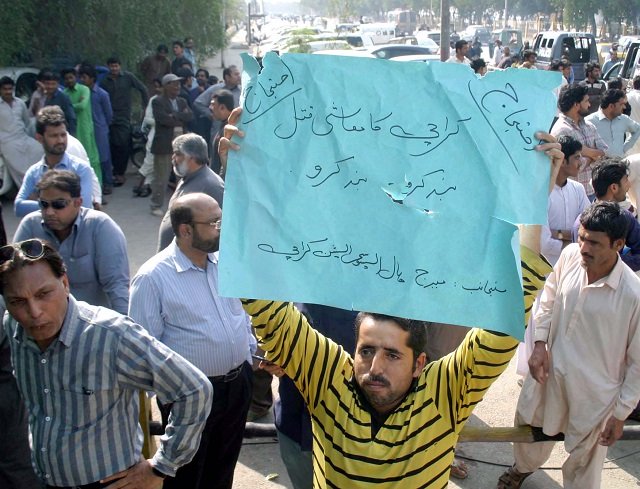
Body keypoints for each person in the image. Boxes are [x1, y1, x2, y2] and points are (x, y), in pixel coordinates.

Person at [219, 108, 564, 487]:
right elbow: (264, 305)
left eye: (392, 355)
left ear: (421, 364)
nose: (374, 367)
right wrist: (241, 180)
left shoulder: (445, 393)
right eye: (366, 350)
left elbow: (506, 316)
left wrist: (533, 196)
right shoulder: (331, 383)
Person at [0, 239, 213, 487]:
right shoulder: (13, 326)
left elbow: (195, 389)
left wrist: (161, 467)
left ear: (65, 283)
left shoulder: (112, 336)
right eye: (18, 301)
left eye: (43, 294)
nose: (34, 312)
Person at [497, 201, 640, 489]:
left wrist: (620, 413)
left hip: (595, 396)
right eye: (583, 237)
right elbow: (548, 298)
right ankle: (521, 469)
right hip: (549, 374)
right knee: (530, 427)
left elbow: (638, 363)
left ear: (618, 245)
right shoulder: (571, 255)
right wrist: (539, 344)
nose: (584, 247)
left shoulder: (633, 295)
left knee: (584, 465)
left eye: (595, 243)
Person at [130, 192, 256, 489]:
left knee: (223, 467)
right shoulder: (152, 278)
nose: (221, 228)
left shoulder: (226, 263)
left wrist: (252, 354)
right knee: (185, 476)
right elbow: (143, 350)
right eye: (214, 222)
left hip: (238, 385)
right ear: (185, 230)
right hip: (188, 397)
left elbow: (241, 315)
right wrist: (172, 395)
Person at [14, 170, 130, 313]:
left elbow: (117, 286)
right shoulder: (30, 226)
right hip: (43, 320)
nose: (49, 212)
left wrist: (125, 328)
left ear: (78, 202)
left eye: (58, 204)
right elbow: (14, 278)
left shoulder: (101, 227)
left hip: (92, 322)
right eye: (44, 204)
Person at [15, 107, 95, 217]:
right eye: (54, 136)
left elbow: (83, 209)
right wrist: (64, 203)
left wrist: (40, 202)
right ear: (39, 138)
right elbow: (19, 207)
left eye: (63, 135)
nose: (60, 140)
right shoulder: (34, 172)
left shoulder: (80, 169)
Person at [571, 157, 640, 272]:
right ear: (614, 187)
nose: (628, 185)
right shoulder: (624, 217)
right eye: (626, 180)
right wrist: (613, 263)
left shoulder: (580, 221)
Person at [157, 133, 224, 251]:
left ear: (192, 157)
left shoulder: (211, 185)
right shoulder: (187, 177)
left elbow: (220, 229)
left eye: (178, 154)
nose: (173, 158)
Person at [551, 83, 607, 200]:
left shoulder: (589, 126)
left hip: (591, 191)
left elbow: (604, 152)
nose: (589, 104)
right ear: (576, 105)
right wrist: (593, 156)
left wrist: (585, 151)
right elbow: (573, 166)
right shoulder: (562, 131)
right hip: (571, 195)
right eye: (586, 101)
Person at [100, 56, 148, 187]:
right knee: (112, 145)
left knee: (123, 144)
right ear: (108, 66)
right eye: (112, 66)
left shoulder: (128, 77)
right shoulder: (104, 81)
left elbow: (142, 88)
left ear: (120, 66)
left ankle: (120, 173)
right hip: (109, 116)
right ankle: (115, 172)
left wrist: (145, 105)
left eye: (116, 66)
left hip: (124, 115)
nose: (114, 68)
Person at [149, 73, 193, 216]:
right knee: (162, 177)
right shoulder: (157, 101)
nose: (177, 86)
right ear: (166, 86)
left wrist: (174, 115)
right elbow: (163, 120)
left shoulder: (182, 101)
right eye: (173, 84)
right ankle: (156, 205)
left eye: (178, 84)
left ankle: (180, 205)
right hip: (164, 145)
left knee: (182, 175)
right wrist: (179, 116)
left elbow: (190, 116)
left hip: (181, 145)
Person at [0, 76, 44, 187]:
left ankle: (42, 184)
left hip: (23, 137)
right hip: (6, 142)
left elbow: (27, 122)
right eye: (5, 89)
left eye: (10, 89)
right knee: (20, 167)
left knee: (40, 150)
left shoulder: (20, 103)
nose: (8, 92)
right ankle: (27, 190)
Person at [78, 64, 114, 194]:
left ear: (92, 79)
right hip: (85, 129)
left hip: (99, 128)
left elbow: (109, 114)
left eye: (85, 77)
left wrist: (104, 126)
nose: (82, 80)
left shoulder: (101, 94)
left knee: (104, 156)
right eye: (81, 77)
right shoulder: (80, 93)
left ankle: (108, 182)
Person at [62, 68, 102, 184]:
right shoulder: (64, 93)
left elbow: (82, 106)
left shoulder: (84, 89)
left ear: (76, 78)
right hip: (73, 131)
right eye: (66, 78)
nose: (69, 80)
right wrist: (73, 106)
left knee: (92, 160)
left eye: (71, 77)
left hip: (85, 129)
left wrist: (68, 107)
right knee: (76, 160)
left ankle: (97, 190)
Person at [586, 88, 640, 157]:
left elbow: (637, 129)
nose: (624, 107)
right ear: (611, 106)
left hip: (619, 164)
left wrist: (625, 148)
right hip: (599, 166)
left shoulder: (623, 119)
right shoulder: (589, 122)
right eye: (621, 104)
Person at [40, 69, 77, 136]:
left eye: (53, 84)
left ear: (58, 84)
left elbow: (71, 118)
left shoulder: (63, 98)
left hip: (60, 134)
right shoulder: (39, 97)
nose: (50, 86)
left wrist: (72, 136)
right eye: (48, 84)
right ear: (43, 83)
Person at [210, 89, 234, 176]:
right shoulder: (224, 126)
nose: (210, 107)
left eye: (213, 104)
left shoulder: (230, 130)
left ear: (222, 107)